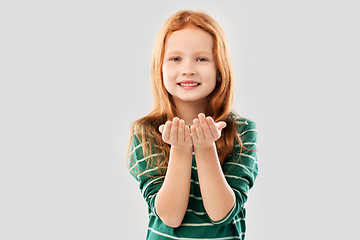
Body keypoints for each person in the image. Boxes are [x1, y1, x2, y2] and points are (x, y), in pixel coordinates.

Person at [127, 9, 258, 240]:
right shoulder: (146, 132)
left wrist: (206, 148)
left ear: (220, 70)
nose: (188, 69)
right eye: (175, 58)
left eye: (202, 59)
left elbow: (221, 213)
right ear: (161, 68)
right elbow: (170, 216)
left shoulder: (241, 131)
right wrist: (181, 149)